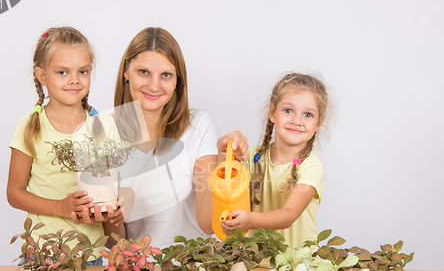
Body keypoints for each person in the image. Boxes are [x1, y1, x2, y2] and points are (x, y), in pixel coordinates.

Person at [105, 27, 248, 249]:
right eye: (143, 72)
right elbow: (113, 243)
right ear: (126, 71)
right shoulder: (103, 129)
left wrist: (224, 163)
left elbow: (207, 223)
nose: (154, 85)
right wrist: (111, 210)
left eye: (166, 75)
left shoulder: (199, 126)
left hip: (191, 265)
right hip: (136, 270)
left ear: (177, 80)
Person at [7, 27, 123, 264]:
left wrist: (110, 212)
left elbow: (109, 190)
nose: (74, 80)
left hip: (90, 254)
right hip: (42, 251)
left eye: (83, 71)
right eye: (62, 72)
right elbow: (14, 193)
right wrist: (61, 207)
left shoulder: (104, 127)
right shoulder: (29, 126)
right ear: (42, 76)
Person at [221, 73, 329, 252]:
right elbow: (223, 188)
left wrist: (249, 220)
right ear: (273, 113)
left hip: (297, 267)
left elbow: (288, 215)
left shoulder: (311, 167)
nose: (297, 121)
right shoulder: (252, 156)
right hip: (255, 262)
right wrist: (225, 150)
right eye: (288, 110)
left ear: (319, 123)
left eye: (308, 114)